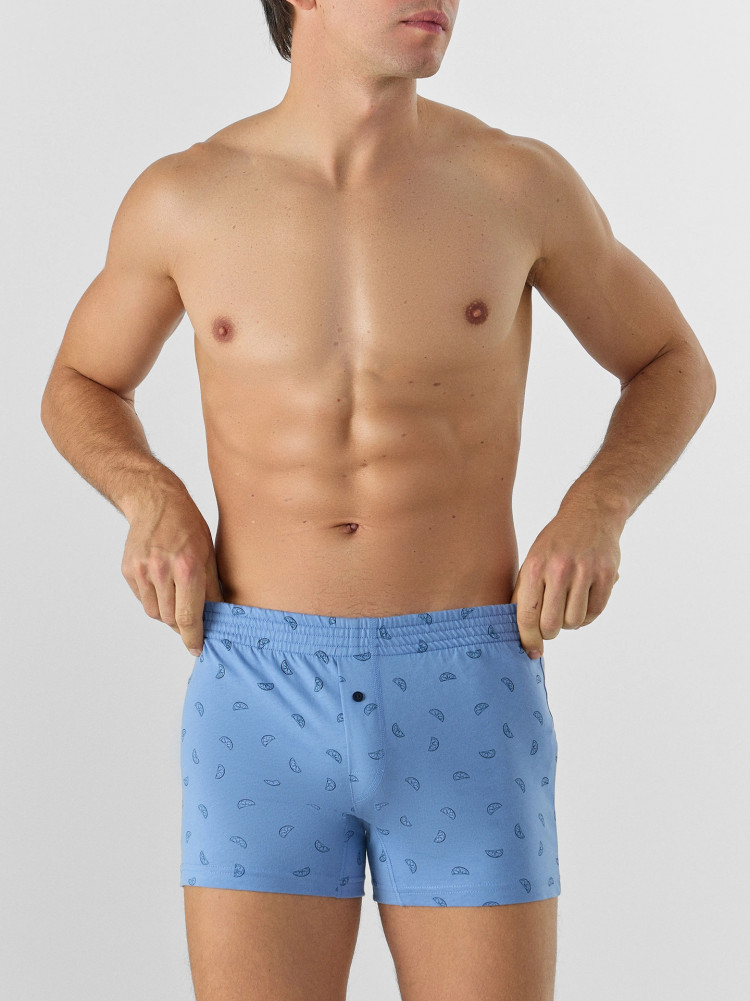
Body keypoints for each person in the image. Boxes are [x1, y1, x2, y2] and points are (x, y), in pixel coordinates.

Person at [39, 2, 716, 999]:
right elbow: (79, 382)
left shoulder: (516, 184)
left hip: (467, 679)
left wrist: (598, 507)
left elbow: (671, 362)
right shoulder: (186, 197)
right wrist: (150, 493)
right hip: (258, 690)